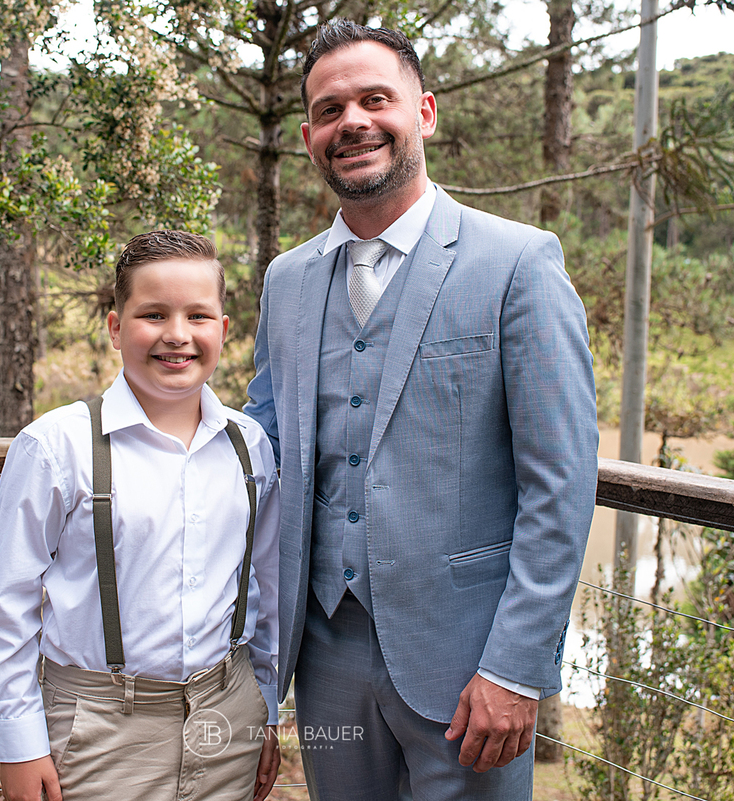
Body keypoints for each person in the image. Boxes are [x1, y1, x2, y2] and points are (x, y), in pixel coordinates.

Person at [243, 20, 598, 801]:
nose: (354, 123)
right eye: (331, 110)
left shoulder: (517, 264)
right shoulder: (287, 282)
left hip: (471, 664)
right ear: (308, 137)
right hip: (326, 658)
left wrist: (515, 664)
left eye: (377, 99)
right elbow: (259, 456)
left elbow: (560, 485)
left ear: (426, 112)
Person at [0, 230, 281, 801]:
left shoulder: (250, 446)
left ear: (225, 331)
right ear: (116, 327)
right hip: (96, 731)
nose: (177, 336)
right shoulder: (55, 447)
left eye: (198, 316)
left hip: (228, 720)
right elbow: (6, 609)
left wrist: (263, 710)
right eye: (153, 314)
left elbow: (265, 593)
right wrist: (19, 742)